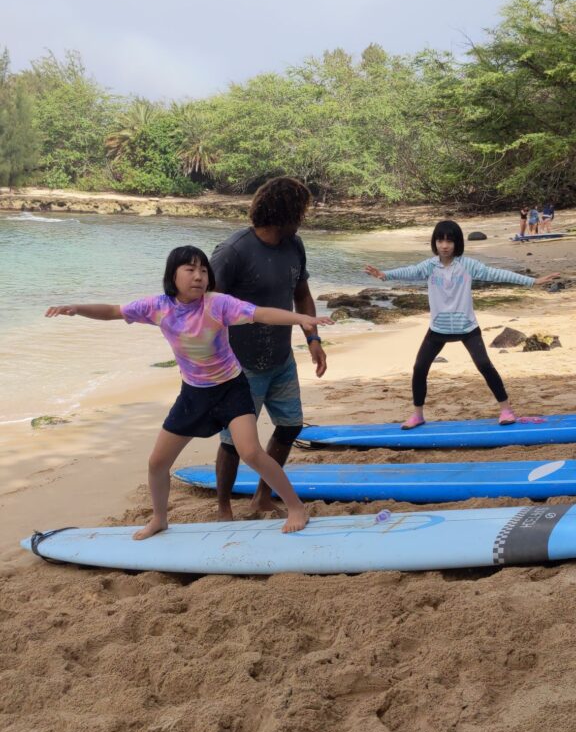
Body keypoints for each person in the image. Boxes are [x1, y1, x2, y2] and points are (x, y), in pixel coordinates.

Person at [46, 245, 334, 538]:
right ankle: (159, 519)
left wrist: (300, 319)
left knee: (250, 452)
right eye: (190, 269)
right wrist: (77, 308)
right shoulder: (158, 307)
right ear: (173, 275)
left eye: (203, 270)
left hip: (231, 389)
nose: (198, 276)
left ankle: (295, 507)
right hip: (194, 395)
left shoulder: (217, 304)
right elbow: (113, 311)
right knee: (157, 462)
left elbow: (260, 314)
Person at [364, 219, 559, 429]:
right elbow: (409, 271)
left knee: (484, 365)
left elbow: (497, 274)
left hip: (466, 327)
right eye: (440, 240)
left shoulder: (468, 265)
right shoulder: (430, 266)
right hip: (438, 328)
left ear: (457, 243)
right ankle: (418, 414)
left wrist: (532, 281)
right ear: (435, 242)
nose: (445, 245)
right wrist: (385, 275)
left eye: (450, 241)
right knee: (420, 368)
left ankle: (506, 409)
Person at [210, 176, 327, 521]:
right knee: (233, 442)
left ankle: (262, 496)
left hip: (280, 358)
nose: (304, 217)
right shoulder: (232, 252)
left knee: (290, 427)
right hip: (239, 365)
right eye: (301, 210)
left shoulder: (294, 245)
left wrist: (313, 338)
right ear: (284, 212)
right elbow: (206, 308)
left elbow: (301, 294)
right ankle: (223, 507)